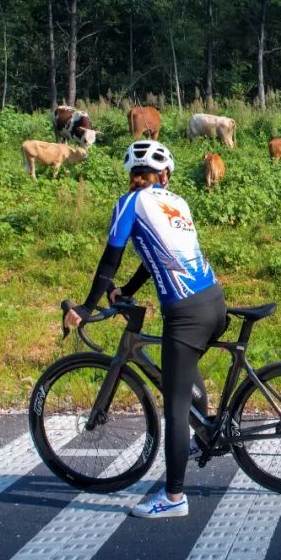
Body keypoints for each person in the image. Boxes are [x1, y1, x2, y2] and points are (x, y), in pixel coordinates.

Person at [64, 140, 227, 517]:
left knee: (174, 405)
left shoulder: (130, 203)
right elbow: (158, 256)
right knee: (182, 374)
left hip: (185, 313)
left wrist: (87, 307)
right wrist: (129, 290)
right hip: (213, 302)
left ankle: (174, 499)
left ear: (131, 176)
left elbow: (111, 257)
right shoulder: (178, 203)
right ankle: (202, 433)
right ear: (164, 176)